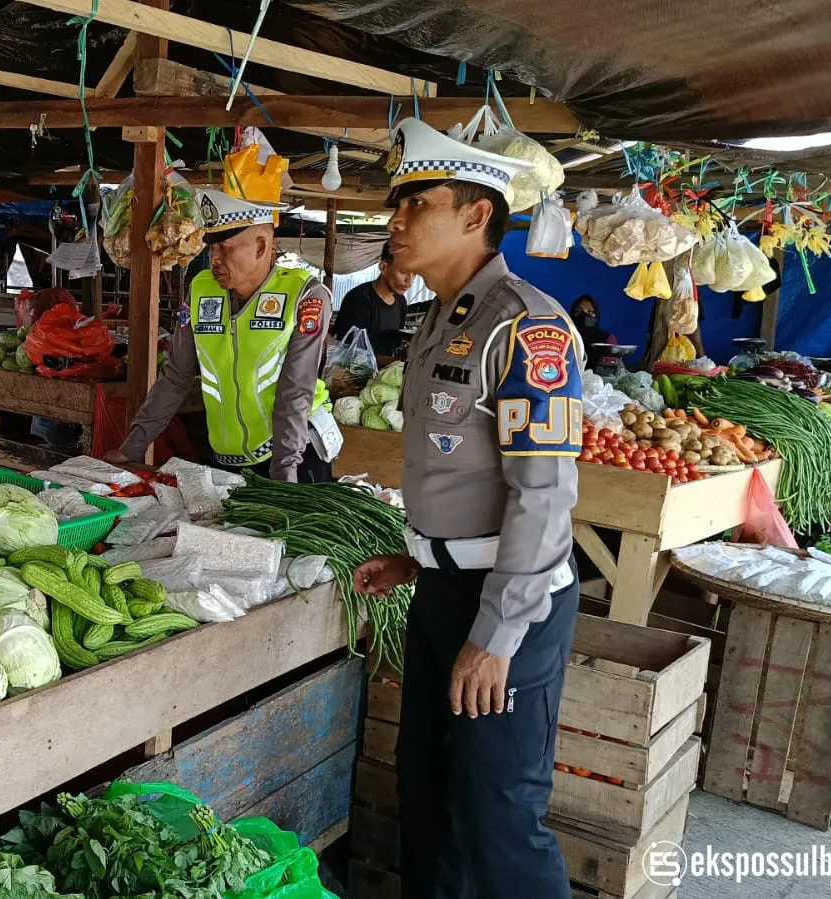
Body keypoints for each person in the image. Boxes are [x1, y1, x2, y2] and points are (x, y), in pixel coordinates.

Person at [352, 117, 584, 899]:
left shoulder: (527, 327)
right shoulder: (438, 321)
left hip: (509, 606)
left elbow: (543, 496)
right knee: (427, 789)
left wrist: (496, 636)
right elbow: (463, 476)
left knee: (496, 812)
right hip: (443, 591)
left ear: (475, 215)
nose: (394, 222)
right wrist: (416, 556)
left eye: (415, 203)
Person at [104, 187, 337, 482]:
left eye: (225, 247)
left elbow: (296, 390)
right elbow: (177, 375)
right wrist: (133, 447)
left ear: (261, 247)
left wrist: (284, 475)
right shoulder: (201, 290)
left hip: (295, 455)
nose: (213, 257)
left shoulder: (305, 294)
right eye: (211, 246)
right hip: (226, 456)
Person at [331, 245, 414, 362]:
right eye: (403, 272)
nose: (409, 281)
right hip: (354, 376)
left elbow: (395, 344)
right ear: (384, 267)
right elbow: (349, 353)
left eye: (414, 273)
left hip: (384, 376)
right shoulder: (359, 299)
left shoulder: (401, 302)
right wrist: (396, 363)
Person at [569, 294, 619, 369]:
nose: (583, 315)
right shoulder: (563, 338)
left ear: (597, 315)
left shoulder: (607, 339)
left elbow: (610, 370)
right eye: (578, 311)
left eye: (590, 311)